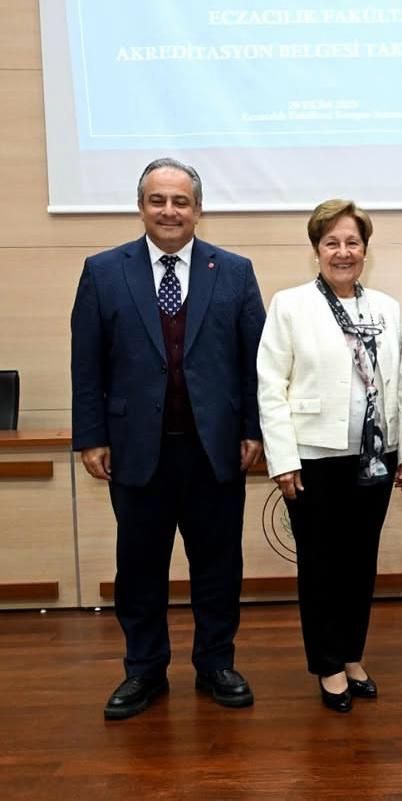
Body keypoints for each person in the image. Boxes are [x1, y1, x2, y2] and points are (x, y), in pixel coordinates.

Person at [70, 157, 266, 719]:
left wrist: (253, 428)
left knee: (218, 565)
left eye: (181, 201)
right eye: (158, 200)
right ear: (141, 207)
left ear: (198, 209)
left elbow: (255, 362)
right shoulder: (104, 271)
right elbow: (87, 364)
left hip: (216, 448)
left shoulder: (232, 271)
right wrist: (90, 435)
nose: (169, 211)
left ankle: (215, 663)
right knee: (139, 568)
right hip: (135, 449)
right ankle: (144, 670)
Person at [257, 199, 402, 713]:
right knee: (321, 565)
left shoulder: (386, 309)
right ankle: (327, 664)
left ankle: (352, 655)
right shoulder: (290, 305)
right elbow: (270, 386)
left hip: (375, 457)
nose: (343, 252)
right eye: (332, 243)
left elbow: (398, 389)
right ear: (316, 250)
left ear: (365, 250)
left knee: (359, 564)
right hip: (313, 458)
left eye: (352, 242)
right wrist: (282, 459)